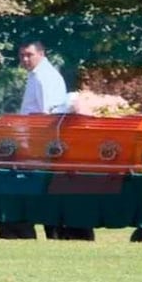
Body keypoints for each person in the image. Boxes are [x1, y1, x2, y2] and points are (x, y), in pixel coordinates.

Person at [15, 41, 94, 241]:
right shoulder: (38, 75)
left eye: (29, 55)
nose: (25, 59)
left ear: (41, 53)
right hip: (39, 141)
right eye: (22, 55)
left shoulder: (44, 77)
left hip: (44, 142)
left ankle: (58, 231)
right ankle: (55, 230)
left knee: (48, 190)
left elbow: (47, 115)